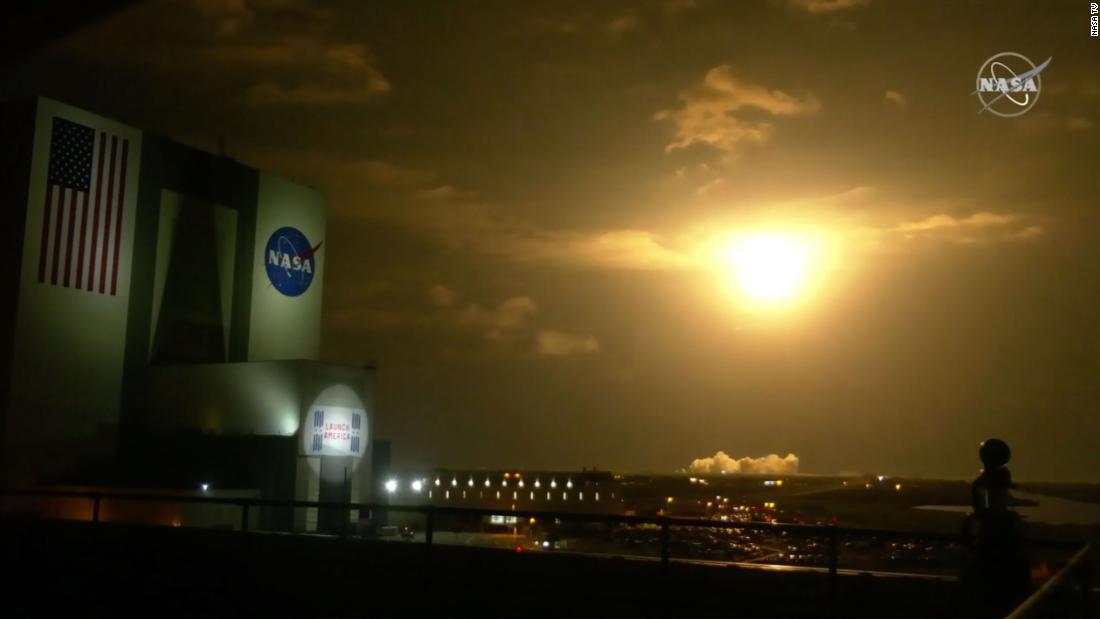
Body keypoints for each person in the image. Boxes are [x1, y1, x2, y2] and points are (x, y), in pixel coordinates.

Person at [957, 439, 1031, 618]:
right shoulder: (987, 488)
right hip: (994, 550)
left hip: (989, 549)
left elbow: (983, 512)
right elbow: (989, 512)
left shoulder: (981, 485)